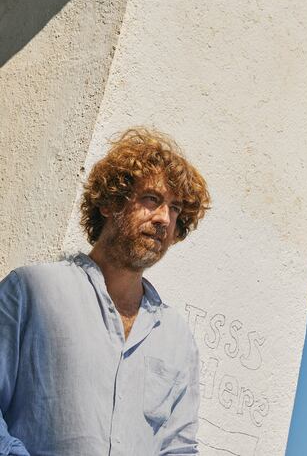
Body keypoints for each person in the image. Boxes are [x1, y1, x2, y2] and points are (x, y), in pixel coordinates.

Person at [0, 127, 210, 456]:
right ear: (110, 204)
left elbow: (179, 448)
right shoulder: (31, 291)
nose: (164, 219)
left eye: (175, 210)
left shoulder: (177, 338)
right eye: (152, 199)